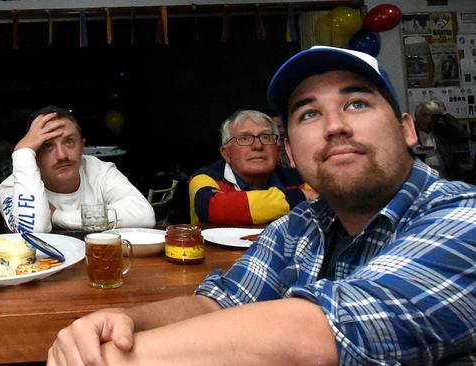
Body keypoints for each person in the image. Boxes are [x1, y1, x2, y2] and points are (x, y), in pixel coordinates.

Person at [47, 46, 476, 365]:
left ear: (407, 130)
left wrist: (109, 358)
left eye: (357, 103)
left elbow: (315, 333)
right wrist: (120, 322)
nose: (335, 126)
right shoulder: (301, 223)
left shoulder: (462, 219)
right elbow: (218, 300)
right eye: (309, 114)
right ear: (292, 150)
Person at [0, 105, 154, 232]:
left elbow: (144, 214)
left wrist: (59, 216)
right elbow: (32, 232)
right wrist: (22, 152)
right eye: (48, 146)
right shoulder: (12, 187)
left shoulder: (100, 170)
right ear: (35, 154)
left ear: (82, 146)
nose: (62, 155)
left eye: (69, 142)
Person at [188, 109, 317, 225]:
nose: (257, 146)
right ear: (226, 154)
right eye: (244, 138)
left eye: (266, 137)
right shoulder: (204, 178)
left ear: (277, 150)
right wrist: (298, 197)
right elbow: (211, 208)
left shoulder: (301, 179)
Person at [413, 100, 469, 180]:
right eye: (424, 115)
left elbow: (463, 135)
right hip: (421, 177)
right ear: (417, 116)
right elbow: (414, 150)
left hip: (445, 175)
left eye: (433, 116)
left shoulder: (440, 129)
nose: (429, 119)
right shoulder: (412, 131)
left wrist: (445, 114)